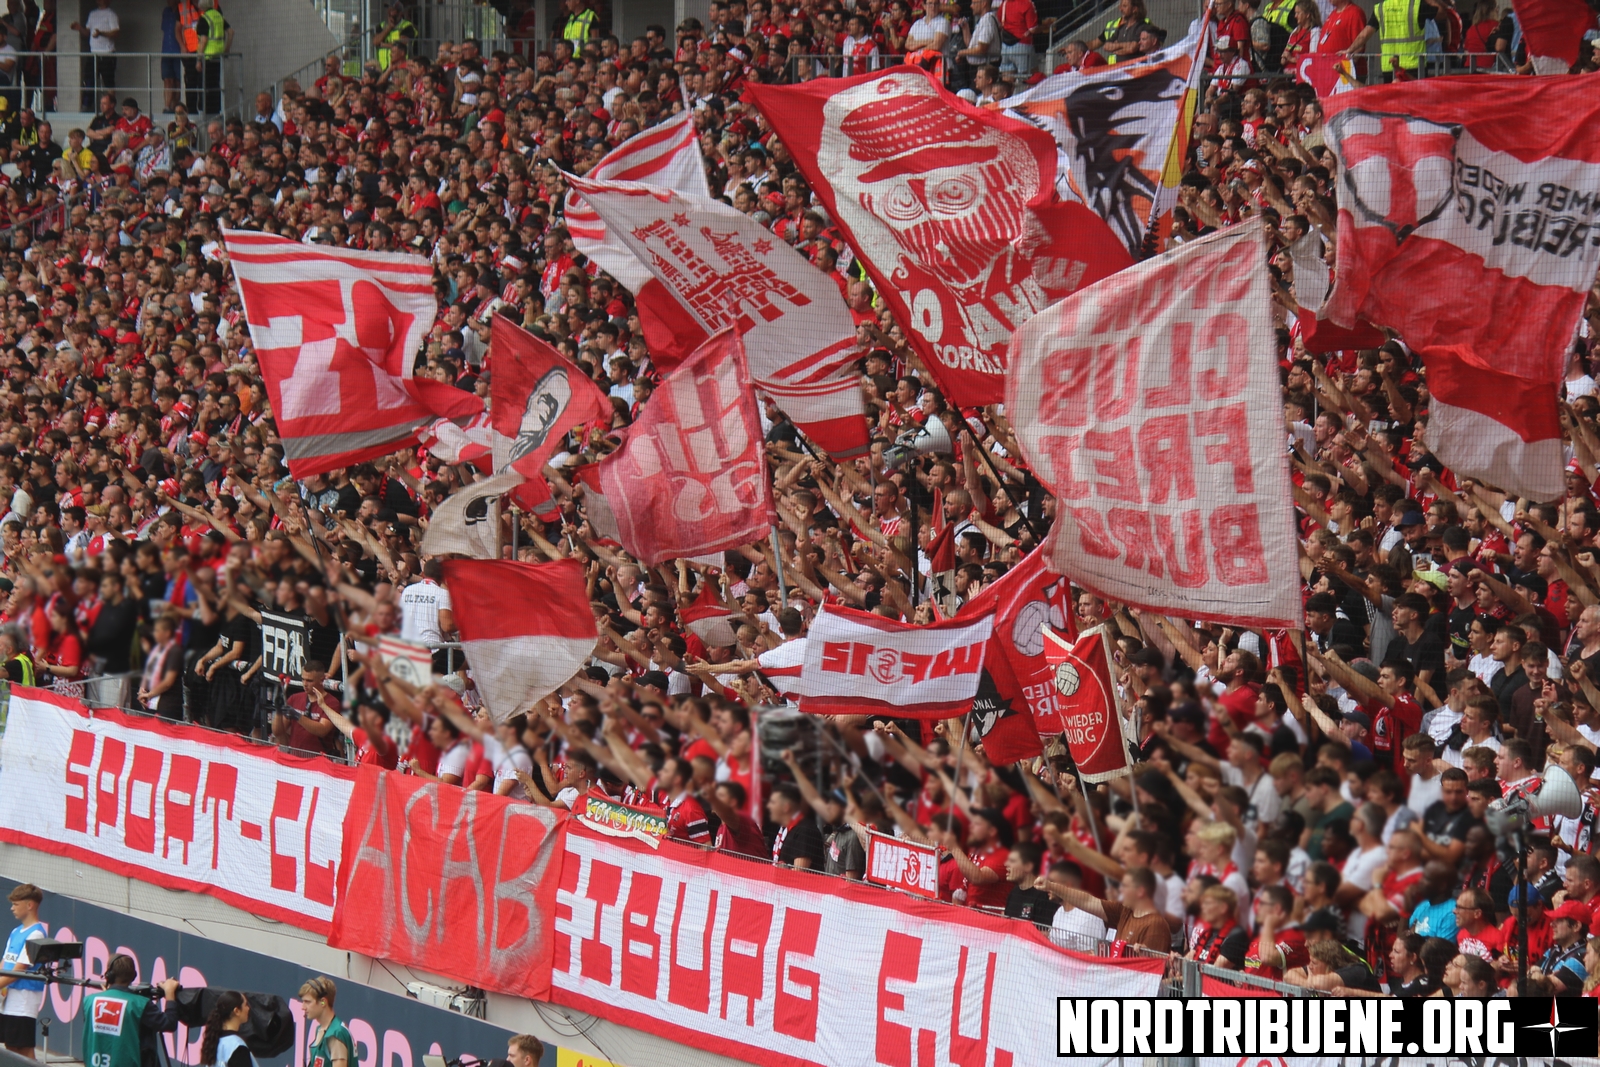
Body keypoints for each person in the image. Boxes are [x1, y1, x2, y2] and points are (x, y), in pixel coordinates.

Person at [80, 955, 180, 1067]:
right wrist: (170, 993)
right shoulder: (141, 1004)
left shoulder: (89, 1001)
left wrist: (109, 994)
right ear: (134, 976)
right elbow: (169, 1023)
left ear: (109, 976)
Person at [0, 885, 47, 1059]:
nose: (12, 908)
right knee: (12, 1046)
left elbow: (18, 971)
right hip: (9, 999)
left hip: (24, 1001)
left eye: (16, 904)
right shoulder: (15, 932)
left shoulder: (36, 934)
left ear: (29, 905)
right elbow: (5, 964)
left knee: (24, 1050)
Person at [70, 0, 118, 110]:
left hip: (107, 53)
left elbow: (116, 32)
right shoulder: (92, 14)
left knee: (109, 83)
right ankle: (86, 106)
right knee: (89, 80)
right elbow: (87, 33)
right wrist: (79, 28)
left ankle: (110, 108)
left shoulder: (111, 14)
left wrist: (101, 33)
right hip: (93, 53)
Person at [298, 977, 350, 1067]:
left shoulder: (336, 1034)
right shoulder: (321, 1029)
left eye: (307, 1002)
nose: (303, 1007)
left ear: (323, 1002)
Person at [198, 991, 255, 1067]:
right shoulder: (237, 1047)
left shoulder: (214, 1042)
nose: (248, 1008)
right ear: (237, 1011)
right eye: (246, 1004)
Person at [194, 0, 230, 115]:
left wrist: (198, 59)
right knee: (215, 85)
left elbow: (203, 40)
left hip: (207, 57)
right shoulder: (218, 16)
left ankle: (205, 111)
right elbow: (231, 32)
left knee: (204, 86)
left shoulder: (204, 19)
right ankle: (216, 111)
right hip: (218, 57)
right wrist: (226, 49)